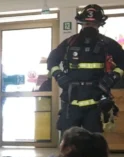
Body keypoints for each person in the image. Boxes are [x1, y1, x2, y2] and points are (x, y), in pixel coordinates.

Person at [47, 4, 124, 134]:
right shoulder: (69, 43)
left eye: (93, 24)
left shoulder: (107, 44)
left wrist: (112, 77)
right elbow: (52, 60)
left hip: (95, 102)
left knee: (94, 144)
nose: (90, 27)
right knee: (69, 143)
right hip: (71, 101)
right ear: (81, 23)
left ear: (99, 24)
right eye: (87, 24)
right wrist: (59, 76)